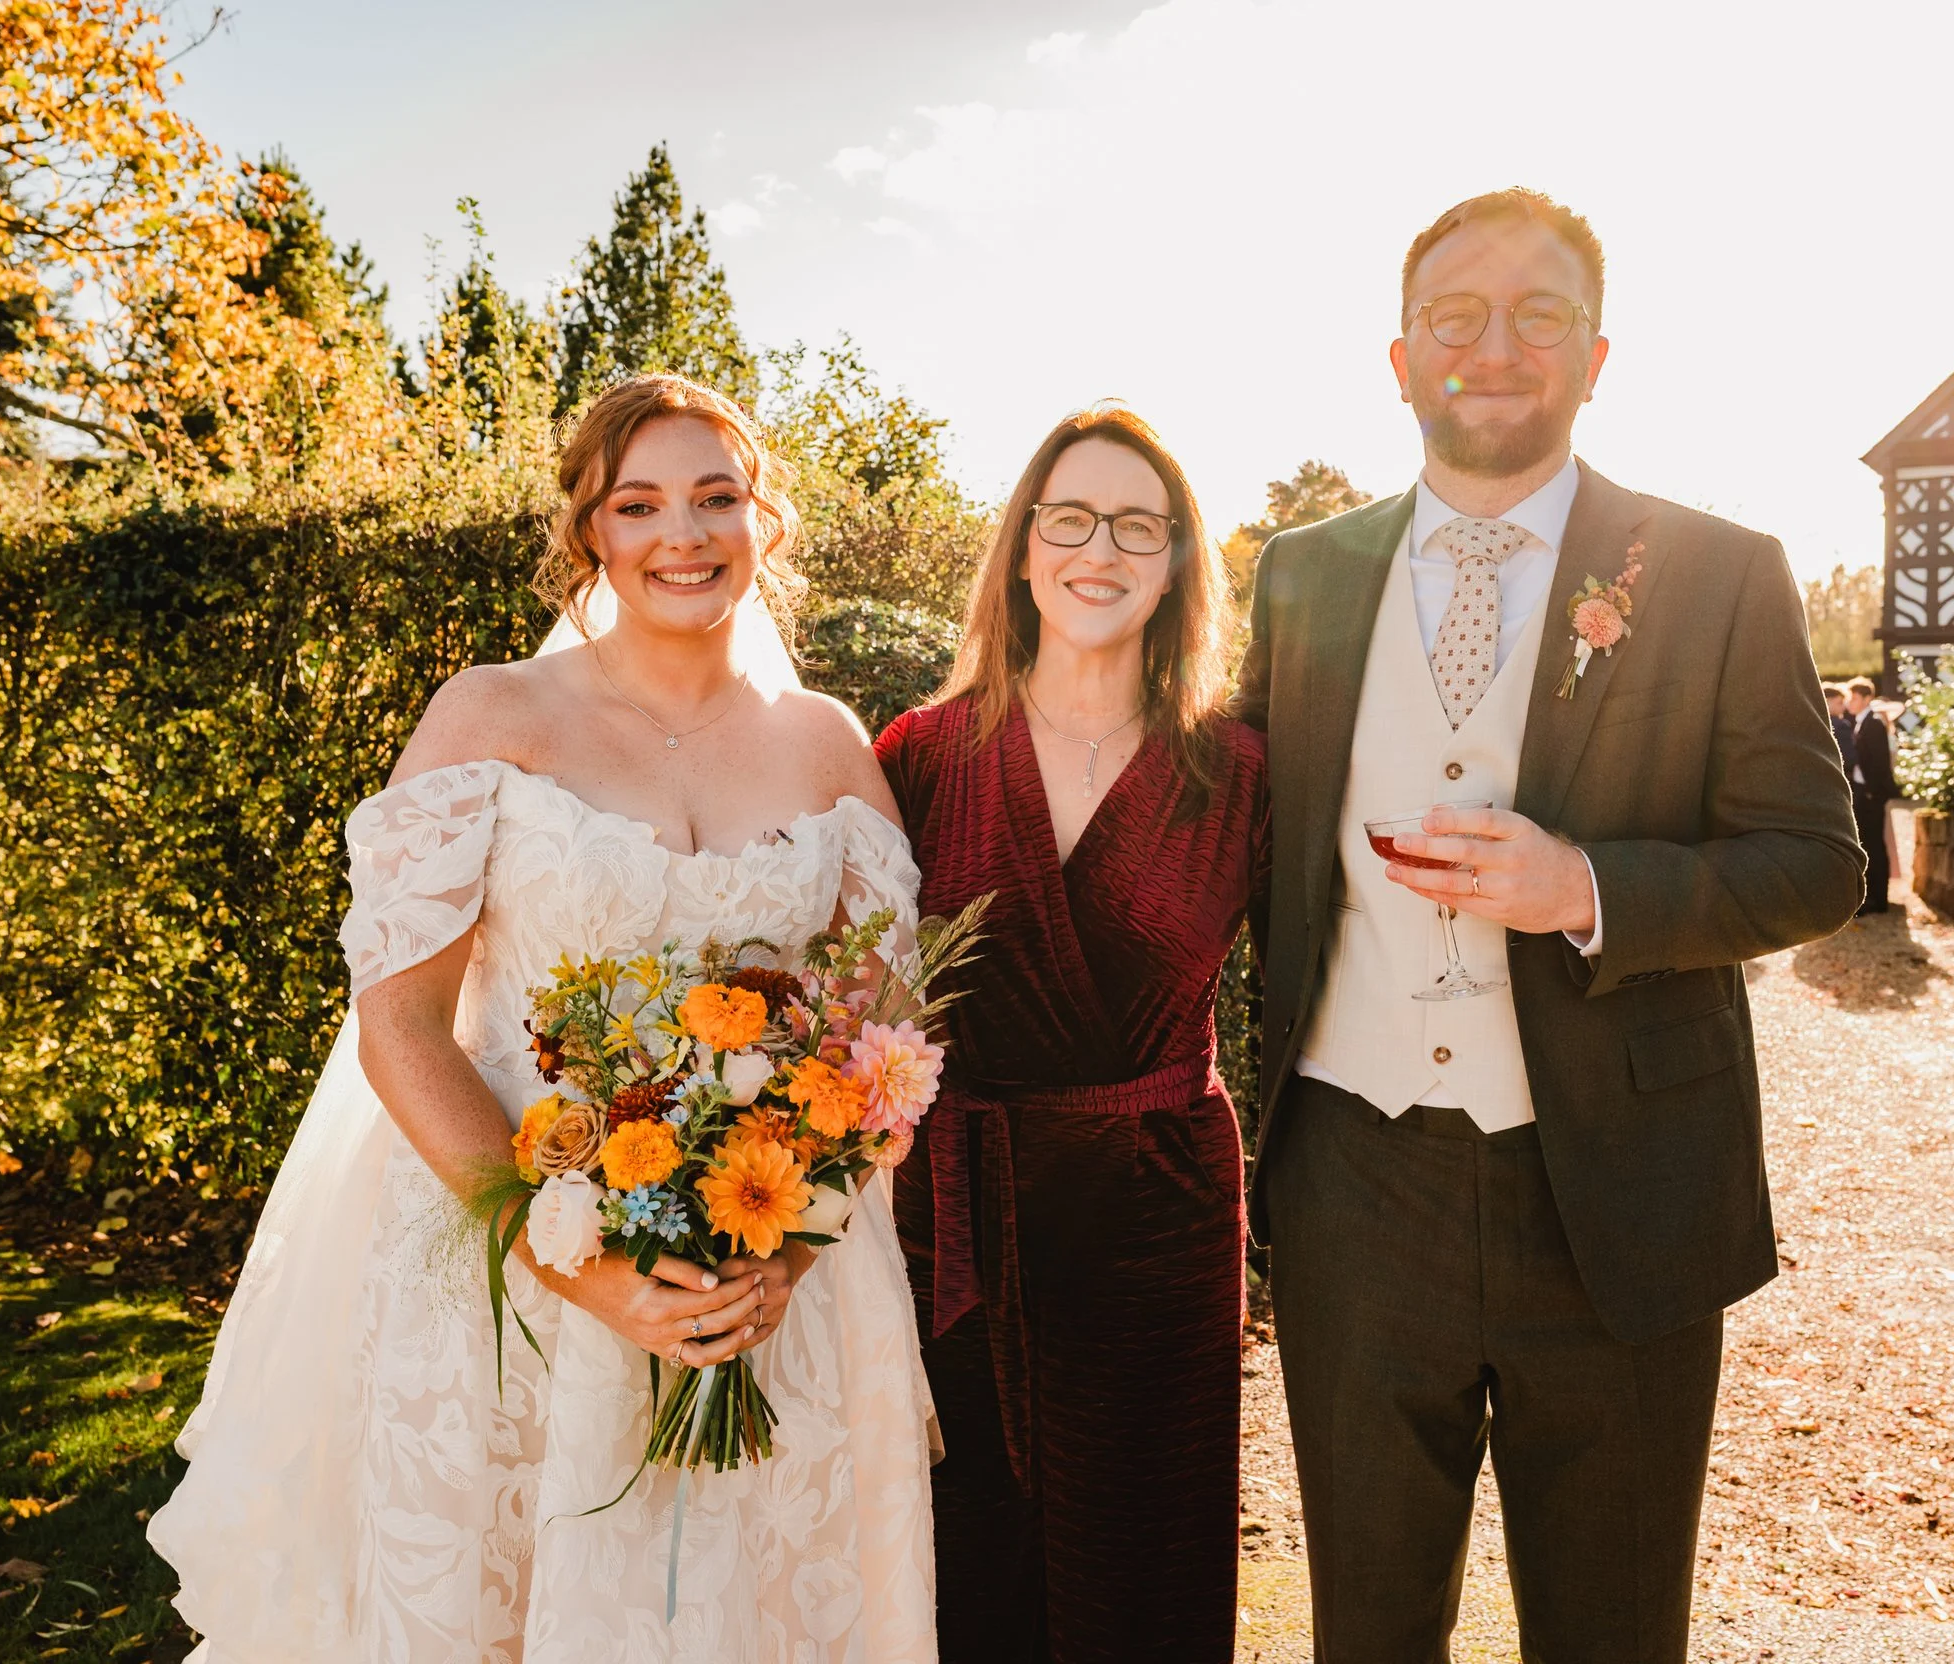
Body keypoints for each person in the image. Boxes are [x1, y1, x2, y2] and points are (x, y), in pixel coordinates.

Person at [149, 376, 940, 1662]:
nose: (681, 533)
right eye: (640, 504)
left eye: (715, 496)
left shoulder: (830, 743)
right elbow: (401, 1025)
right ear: (591, 534)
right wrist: (587, 1271)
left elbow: (880, 1048)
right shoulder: (492, 717)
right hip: (513, 1271)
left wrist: (782, 1259)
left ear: (763, 522)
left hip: (768, 1281)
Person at [1232, 188, 1863, 1663]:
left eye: (1539, 314)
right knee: (1368, 1632)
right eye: (1456, 315)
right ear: (1401, 358)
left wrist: (1584, 889)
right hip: (1353, 1187)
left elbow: (1814, 866)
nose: (1494, 345)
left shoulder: (1720, 571)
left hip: (1625, 1198)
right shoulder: (1301, 575)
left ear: (1596, 356)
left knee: (1612, 1631)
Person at [878, 406, 1268, 1662]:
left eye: (1138, 525)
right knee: (963, 1570)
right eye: (1072, 517)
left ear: (1175, 563)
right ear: (1025, 547)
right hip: (953, 1223)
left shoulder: (1240, 772)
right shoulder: (920, 757)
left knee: (1143, 1579)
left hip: (1158, 1223)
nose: (1100, 549)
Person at [1846, 675, 1898, 914]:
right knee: (1867, 842)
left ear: (1867, 698)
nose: (1851, 702)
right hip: (1863, 792)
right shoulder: (1861, 722)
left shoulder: (1874, 723)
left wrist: (1870, 792)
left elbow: (1879, 764)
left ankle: (1878, 897)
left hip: (1871, 795)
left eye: (1855, 697)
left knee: (1874, 844)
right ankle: (1871, 896)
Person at [1827, 682, 1858, 774]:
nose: (1844, 707)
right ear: (1827, 702)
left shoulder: (1811, 723)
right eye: (1839, 703)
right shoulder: (1841, 725)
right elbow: (1850, 758)